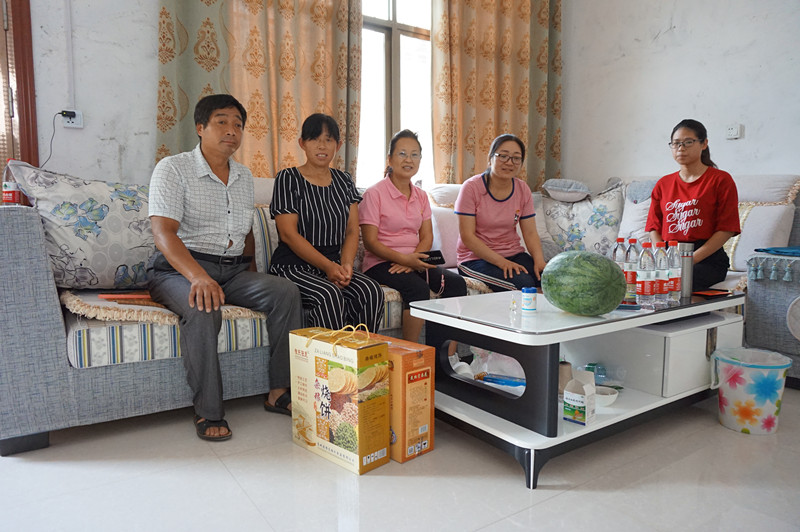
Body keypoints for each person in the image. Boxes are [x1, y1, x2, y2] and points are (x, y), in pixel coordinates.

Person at [148, 94, 303, 442]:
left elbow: (245, 233)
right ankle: (209, 410)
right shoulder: (173, 169)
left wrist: (254, 274)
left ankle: (278, 392)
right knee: (203, 306)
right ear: (200, 127)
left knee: (285, 292)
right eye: (222, 122)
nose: (231, 130)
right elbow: (163, 233)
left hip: (231, 271)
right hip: (179, 270)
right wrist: (198, 277)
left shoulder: (244, 176)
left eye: (238, 124)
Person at [269, 113, 384, 332]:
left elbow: (352, 231)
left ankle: (359, 352)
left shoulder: (344, 180)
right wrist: (328, 267)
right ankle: (330, 355)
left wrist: (346, 266)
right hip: (292, 266)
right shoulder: (288, 178)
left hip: (334, 265)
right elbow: (288, 234)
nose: (322, 145)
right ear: (302, 143)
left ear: (338, 145)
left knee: (371, 291)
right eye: (314, 139)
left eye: (328, 139)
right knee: (328, 294)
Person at [360, 129, 467, 345]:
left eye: (414, 154)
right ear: (389, 159)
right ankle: (410, 354)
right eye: (402, 154)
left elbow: (426, 236)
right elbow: (370, 242)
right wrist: (404, 260)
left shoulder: (420, 195)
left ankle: (444, 357)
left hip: (414, 260)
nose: (408, 159)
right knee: (417, 288)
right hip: (381, 263)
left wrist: (413, 260)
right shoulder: (374, 193)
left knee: (456, 284)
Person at [646, 119, 740, 290]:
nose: (681, 148)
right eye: (676, 143)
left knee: (676, 282)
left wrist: (689, 261)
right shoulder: (663, 184)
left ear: (704, 144)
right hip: (669, 255)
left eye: (688, 142)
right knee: (637, 277)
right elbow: (654, 227)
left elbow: (726, 229)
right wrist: (663, 258)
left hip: (706, 258)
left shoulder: (721, 180)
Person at [454, 133, 547, 291]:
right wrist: (502, 262)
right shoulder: (471, 188)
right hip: (475, 259)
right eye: (503, 156)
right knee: (524, 283)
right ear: (490, 159)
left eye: (516, 158)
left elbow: (530, 233)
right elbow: (467, 237)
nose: (509, 162)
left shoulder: (522, 189)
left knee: (548, 279)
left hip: (513, 253)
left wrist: (539, 261)